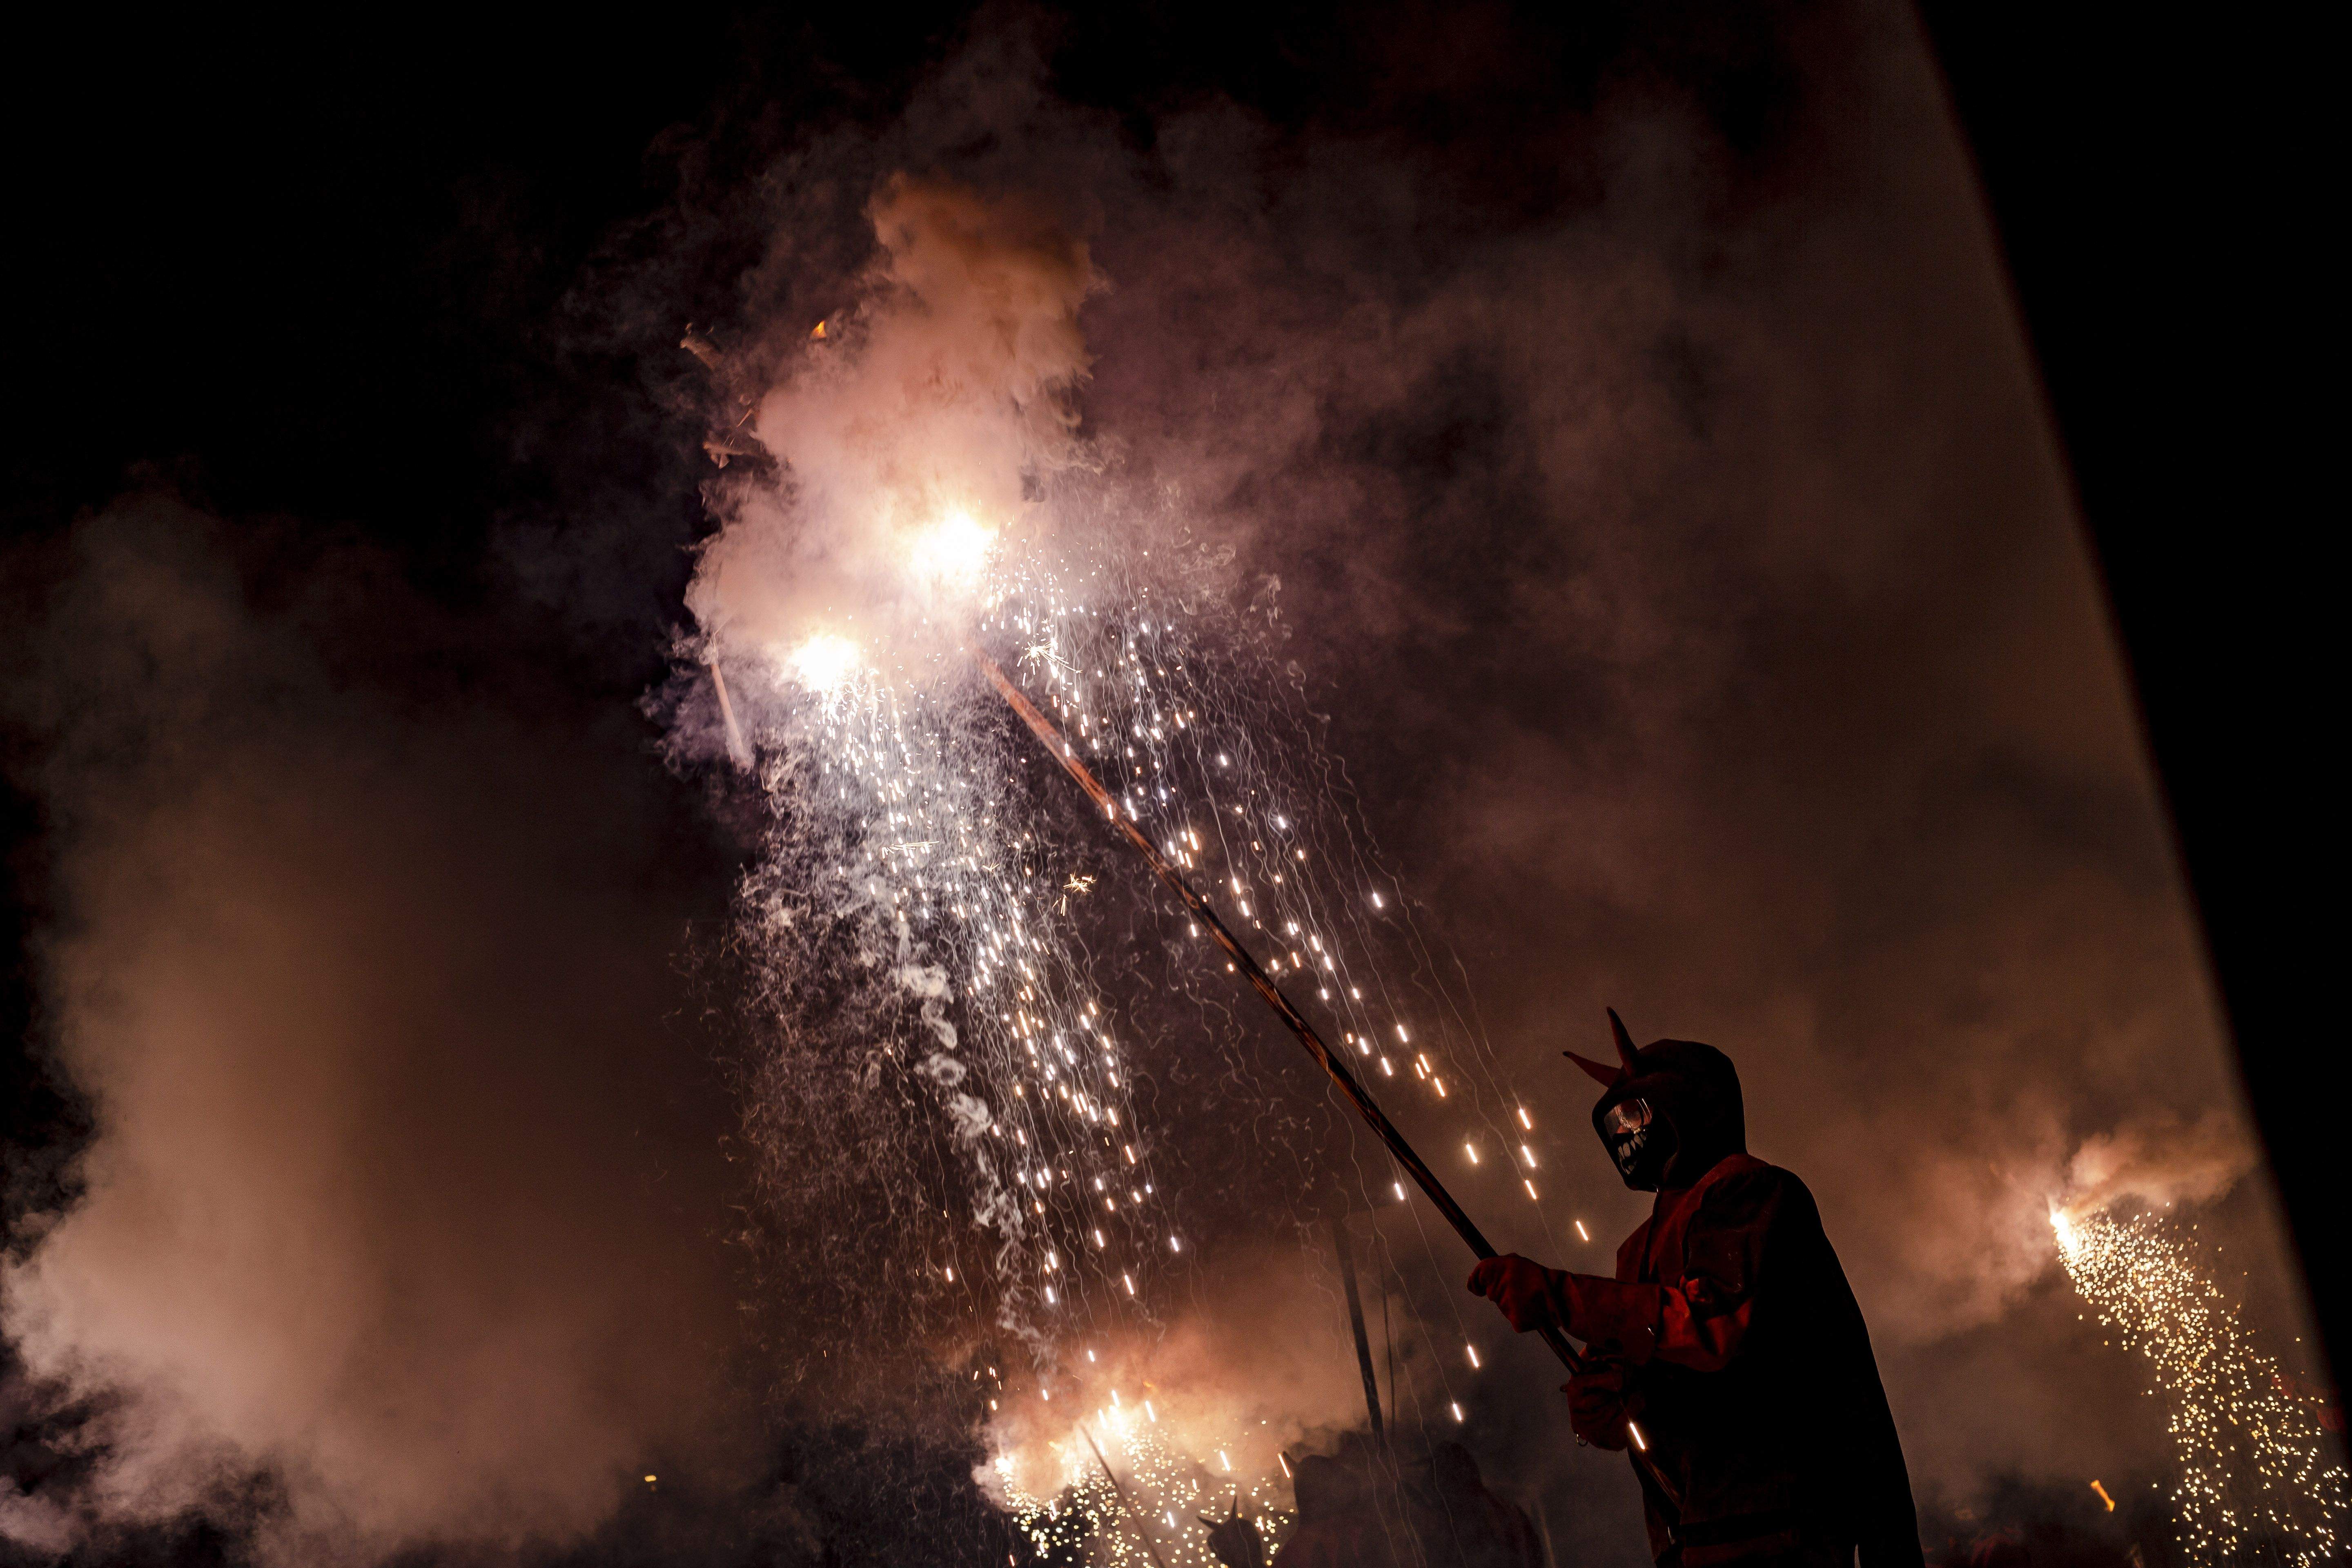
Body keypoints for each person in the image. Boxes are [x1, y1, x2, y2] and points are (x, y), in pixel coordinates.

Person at [1466, 1012, 1922, 1568]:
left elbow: (1709, 1326)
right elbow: (1652, 1392)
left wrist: (1560, 1297)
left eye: (1637, 1112)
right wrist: (1606, 1403)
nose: (1626, 1132)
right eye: (1619, 1119)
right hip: (1693, 1537)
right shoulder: (1637, 1249)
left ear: (1687, 1104)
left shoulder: (1750, 1193)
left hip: (1781, 1535)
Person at [1415, 1441, 1544, 1568]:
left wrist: (1431, 1541)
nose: (1430, 1477)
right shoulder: (1501, 1507)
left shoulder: (1466, 1518)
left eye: (1436, 1471)